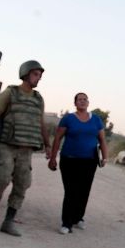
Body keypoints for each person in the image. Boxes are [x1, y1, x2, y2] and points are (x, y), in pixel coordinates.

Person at [0, 60, 51, 237]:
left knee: (22, 184)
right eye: (36, 74)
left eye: (40, 75)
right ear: (26, 74)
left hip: (26, 148)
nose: (38, 78)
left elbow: (41, 123)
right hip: (7, 145)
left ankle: (8, 221)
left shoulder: (38, 99)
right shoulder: (10, 93)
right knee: (2, 177)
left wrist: (48, 145)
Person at [47, 93, 108, 234]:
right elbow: (57, 138)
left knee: (83, 191)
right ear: (75, 103)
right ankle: (66, 224)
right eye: (79, 100)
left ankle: (78, 217)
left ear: (88, 102)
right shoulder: (68, 119)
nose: (82, 101)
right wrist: (53, 158)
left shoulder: (96, 120)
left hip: (89, 161)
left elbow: (102, 140)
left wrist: (105, 157)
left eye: (84, 99)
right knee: (70, 191)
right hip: (69, 160)